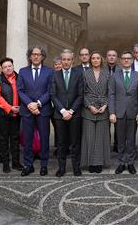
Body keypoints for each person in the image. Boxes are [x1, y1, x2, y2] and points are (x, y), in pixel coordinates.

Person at [17, 45, 54, 176]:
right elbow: (20, 90)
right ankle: (28, 165)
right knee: (27, 139)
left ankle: (44, 165)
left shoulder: (49, 72)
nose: (36, 56)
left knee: (44, 138)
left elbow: (50, 91)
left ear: (43, 57)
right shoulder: (22, 71)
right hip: (27, 111)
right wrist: (30, 104)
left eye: (38, 54)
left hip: (43, 110)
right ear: (30, 56)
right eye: (33, 54)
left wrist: (37, 104)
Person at [109, 51, 138, 174]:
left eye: (128, 58)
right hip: (118, 113)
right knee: (120, 139)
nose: (126, 60)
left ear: (132, 60)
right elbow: (111, 95)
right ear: (120, 60)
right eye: (124, 58)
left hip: (133, 112)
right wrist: (112, 112)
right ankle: (121, 162)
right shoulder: (114, 76)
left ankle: (130, 162)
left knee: (131, 139)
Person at [50, 49, 84, 177]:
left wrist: (71, 111)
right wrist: (63, 111)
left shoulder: (78, 74)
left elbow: (81, 95)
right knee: (61, 143)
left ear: (72, 60)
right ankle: (62, 168)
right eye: (64, 59)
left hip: (75, 114)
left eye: (68, 59)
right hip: (60, 115)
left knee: (76, 142)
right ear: (61, 60)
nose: (66, 62)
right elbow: (53, 95)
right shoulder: (55, 75)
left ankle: (76, 167)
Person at [81, 51, 111, 173]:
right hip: (89, 109)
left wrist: (105, 105)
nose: (95, 60)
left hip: (103, 109)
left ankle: (98, 163)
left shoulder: (107, 74)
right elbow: (81, 93)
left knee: (100, 137)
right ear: (90, 60)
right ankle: (90, 163)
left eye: (98, 58)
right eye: (93, 58)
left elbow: (111, 92)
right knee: (89, 137)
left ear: (101, 60)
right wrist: (89, 106)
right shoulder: (85, 74)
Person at [0, 57, 23, 173]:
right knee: (3, 139)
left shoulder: (20, 78)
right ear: (2, 69)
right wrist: (10, 108)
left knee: (15, 139)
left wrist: (20, 108)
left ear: (13, 66)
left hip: (17, 114)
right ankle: (6, 163)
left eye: (9, 66)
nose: (8, 68)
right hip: (2, 115)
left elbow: (24, 92)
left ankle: (16, 162)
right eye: (5, 67)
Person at [106, 49, 120, 152]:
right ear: (106, 58)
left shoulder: (121, 70)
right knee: (106, 127)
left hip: (118, 102)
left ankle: (117, 145)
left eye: (113, 55)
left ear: (117, 58)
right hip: (104, 103)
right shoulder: (101, 69)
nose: (111, 57)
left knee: (118, 126)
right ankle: (106, 146)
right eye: (109, 55)